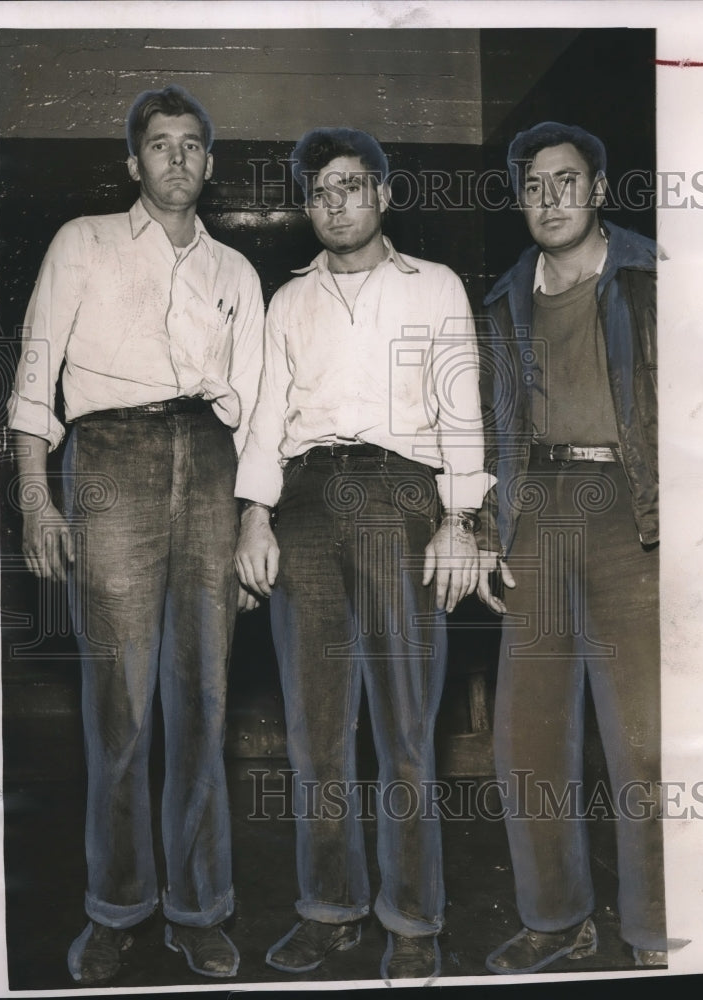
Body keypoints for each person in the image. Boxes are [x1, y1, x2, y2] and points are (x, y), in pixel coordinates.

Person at [7, 84, 264, 984]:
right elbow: (36, 377)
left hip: (211, 459)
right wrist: (37, 501)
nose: (179, 159)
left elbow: (259, 409)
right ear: (134, 162)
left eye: (194, 144)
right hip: (109, 456)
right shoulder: (80, 243)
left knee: (202, 697)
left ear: (210, 162)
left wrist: (251, 517)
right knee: (120, 703)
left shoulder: (236, 271)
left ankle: (198, 909)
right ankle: (116, 907)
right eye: (161, 144)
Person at [233, 126, 492, 983]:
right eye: (318, 192)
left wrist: (462, 520)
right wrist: (253, 517)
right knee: (315, 727)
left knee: (406, 725)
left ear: (383, 195)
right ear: (306, 206)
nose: (334, 204)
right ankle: (329, 909)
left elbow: (461, 412)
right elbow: (267, 417)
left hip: (402, 498)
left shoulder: (437, 288)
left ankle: (414, 921)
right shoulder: (288, 300)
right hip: (303, 503)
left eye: (351, 186)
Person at [476, 121, 666, 973]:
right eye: (533, 185)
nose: (549, 199)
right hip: (539, 515)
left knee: (643, 741)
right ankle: (555, 919)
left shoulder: (657, 277)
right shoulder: (503, 300)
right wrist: (487, 529)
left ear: (597, 190)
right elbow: (488, 431)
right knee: (528, 732)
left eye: (565, 181)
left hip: (634, 512)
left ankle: (659, 930)